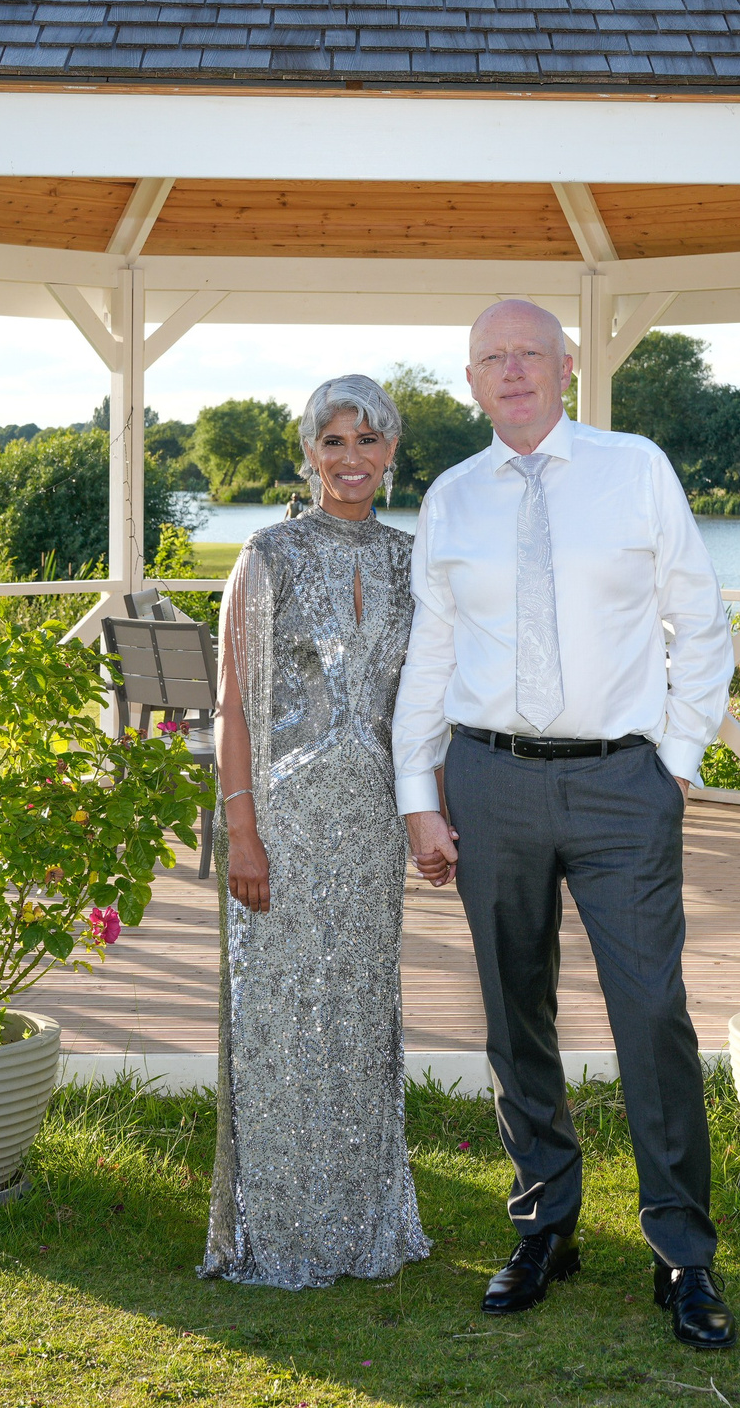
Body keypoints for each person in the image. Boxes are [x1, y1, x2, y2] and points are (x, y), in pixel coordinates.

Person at [392, 300, 738, 1350]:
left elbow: (702, 622)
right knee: (513, 1013)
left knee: (653, 1014)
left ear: (567, 367)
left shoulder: (635, 469)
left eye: (528, 354)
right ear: (470, 381)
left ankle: (682, 1250)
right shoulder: (451, 500)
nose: (511, 372)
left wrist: (673, 767)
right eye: (490, 358)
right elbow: (431, 656)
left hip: (619, 784)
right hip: (489, 781)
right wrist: (419, 795)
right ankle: (545, 1222)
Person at [202, 374, 433, 1288]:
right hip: (284, 822)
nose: (351, 460)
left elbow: (426, 701)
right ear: (308, 449)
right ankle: (283, 1226)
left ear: (392, 454)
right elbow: (231, 706)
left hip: (374, 821)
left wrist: (431, 815)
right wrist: (243, 834)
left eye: (369, 442)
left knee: (360, 1015)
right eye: (333, 441)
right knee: (280, 1018)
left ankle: (363, 1218)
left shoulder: (414, 559)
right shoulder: (268, 553)